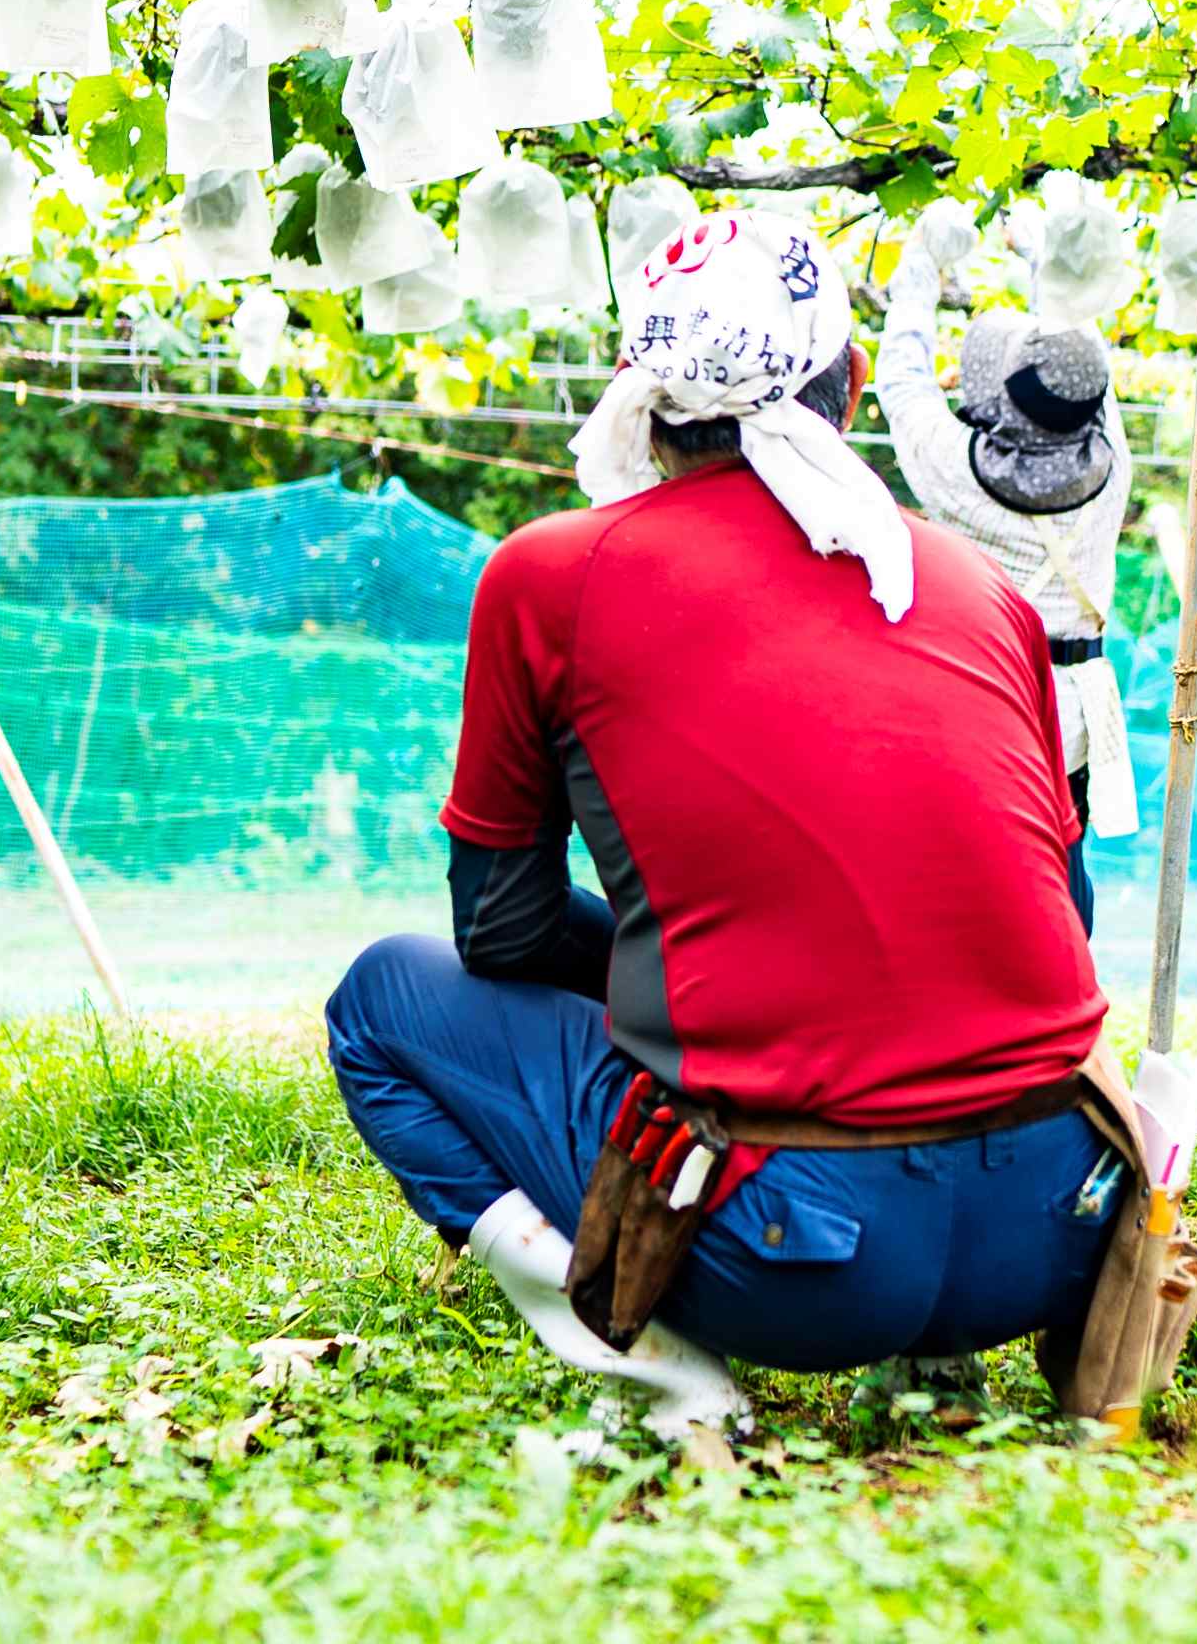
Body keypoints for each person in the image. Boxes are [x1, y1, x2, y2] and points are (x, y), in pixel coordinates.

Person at [325, 205, 1120, 1435]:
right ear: (849, 390)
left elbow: (499, 925)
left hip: (803, 1263)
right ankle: (944, 1366)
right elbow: (1059, 913)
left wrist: (704, 964)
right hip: (1056, 1228)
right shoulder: (979, 586)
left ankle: (663, 1379)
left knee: (380, 998)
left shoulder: (552, 574)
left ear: (651, 395)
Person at [877, 208, 1139, 862]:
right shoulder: (1112, 466)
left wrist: (920, 268)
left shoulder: (955, 471)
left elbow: (901, 376)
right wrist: (1043, 260)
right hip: (1073, 715)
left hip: (978, 702)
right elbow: (1081, 363)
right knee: (1058, 860)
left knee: (968, 868)